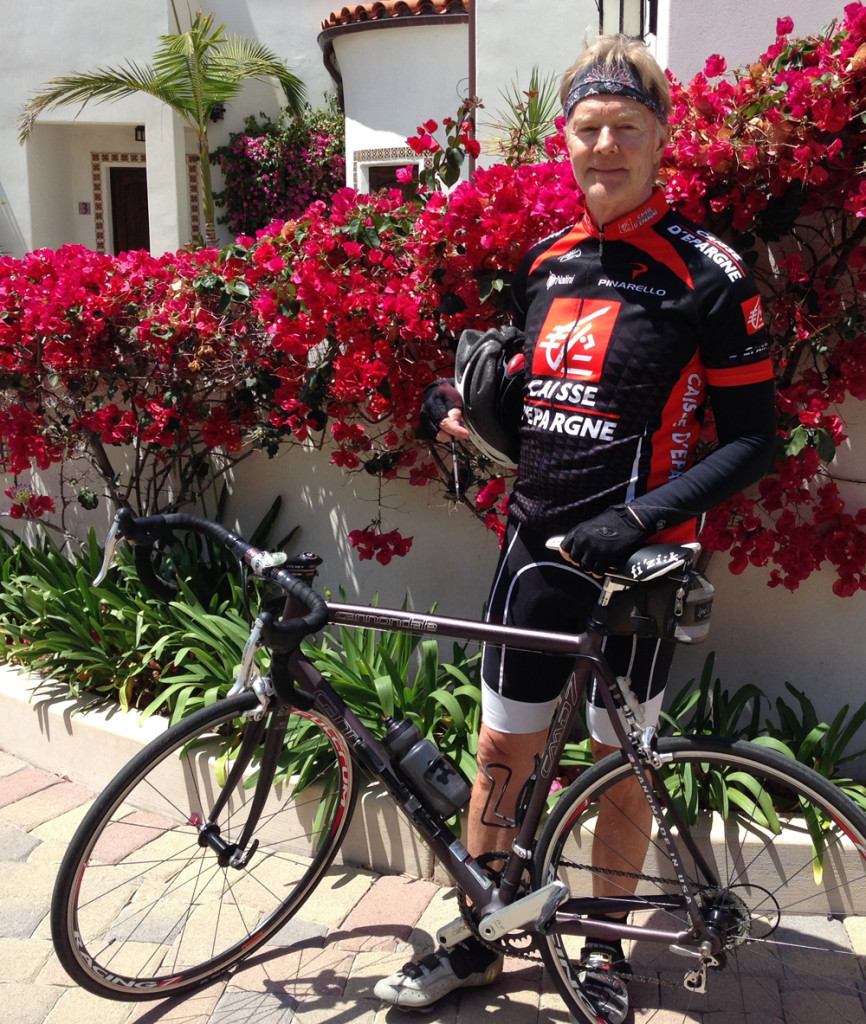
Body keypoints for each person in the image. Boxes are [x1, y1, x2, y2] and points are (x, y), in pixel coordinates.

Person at [374, 33, 776, 1023]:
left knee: (618, 766)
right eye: (587, 129)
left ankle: (599, 947)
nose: (604, 147)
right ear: (565, 141)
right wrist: (452, 407)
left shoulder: (709, 273)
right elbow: (522, 389)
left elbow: (754, 439)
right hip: (536, 546)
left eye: (624, 129)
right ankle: (478, 930)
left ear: (659, 139)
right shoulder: (543, 262)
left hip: (638, 560)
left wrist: (635, 519)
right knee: (500, 748)